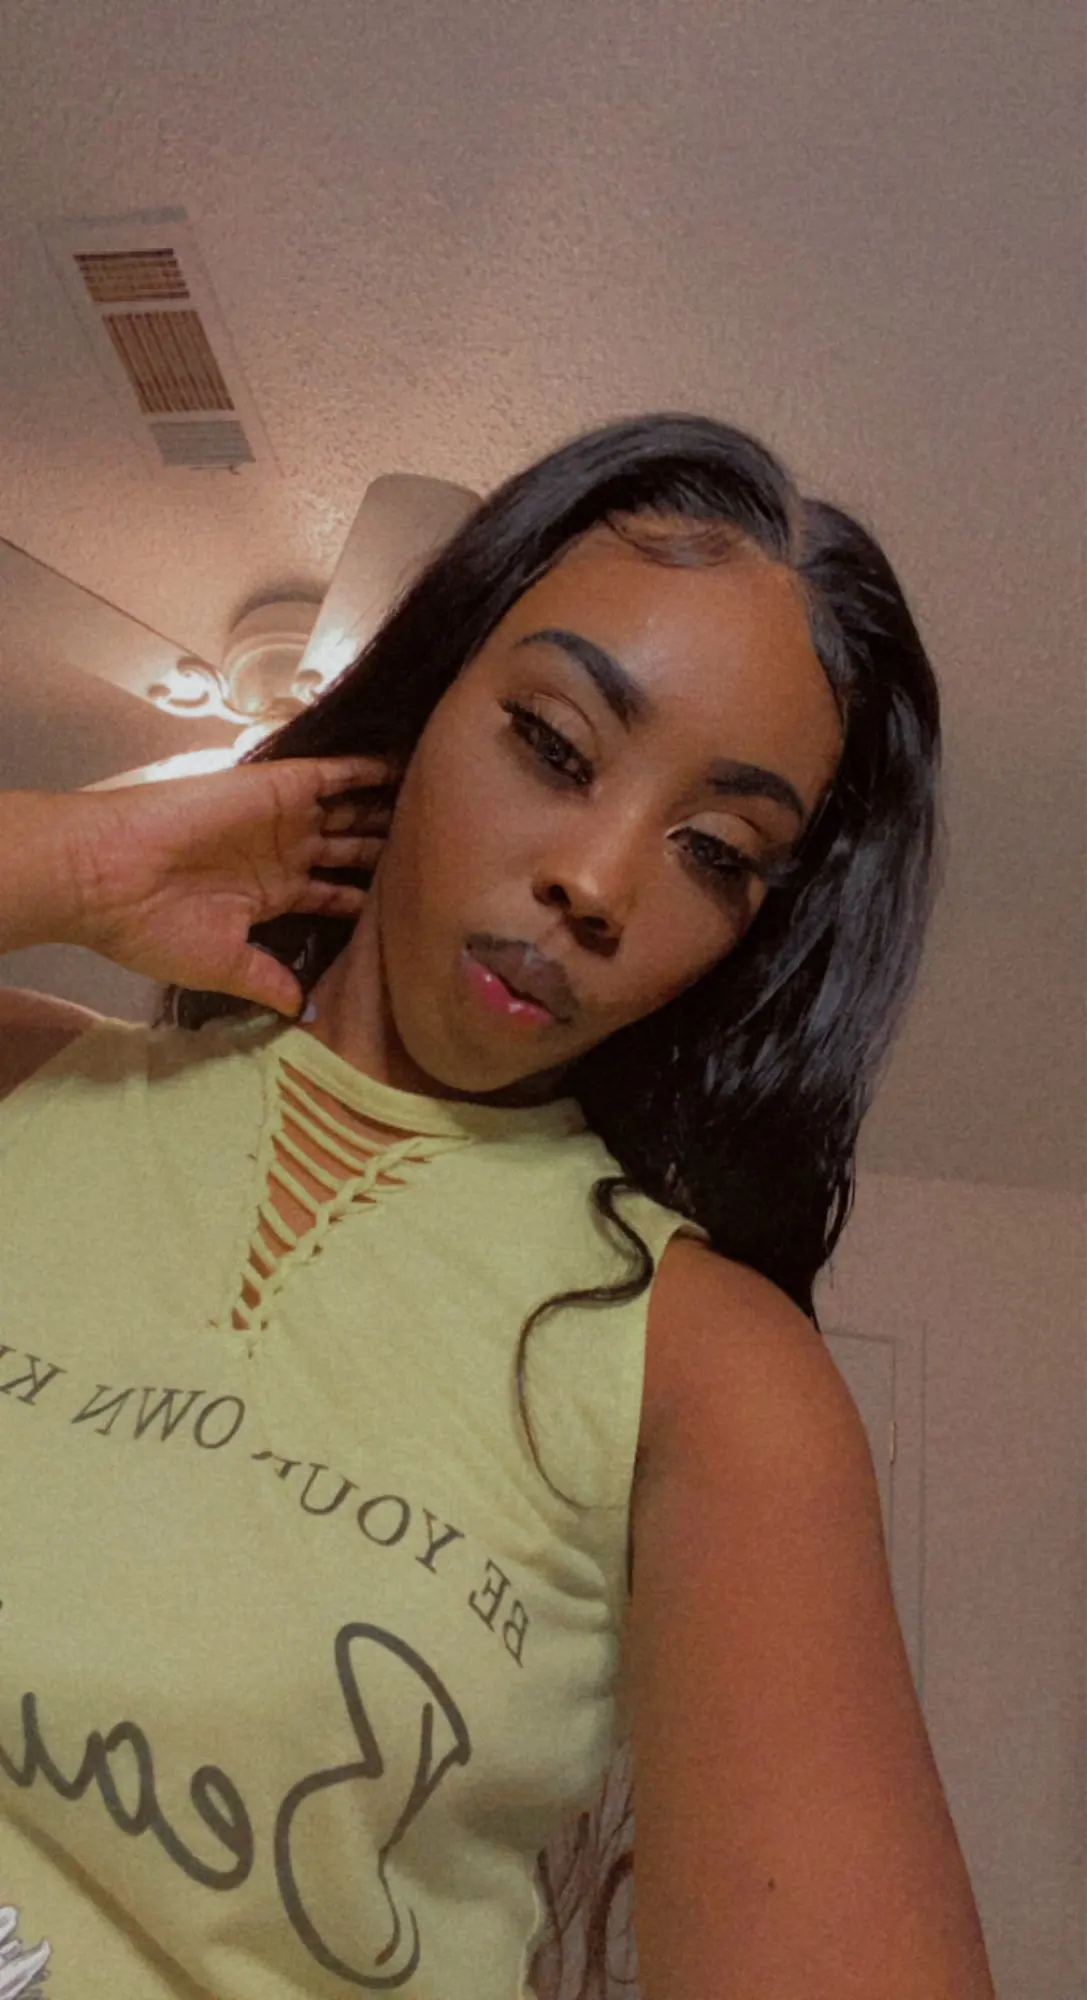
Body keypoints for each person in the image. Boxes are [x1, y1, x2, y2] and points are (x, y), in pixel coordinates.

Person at [0, 414, 996, 2000]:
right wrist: (69, 859)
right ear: (425, 703)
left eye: (715, 851)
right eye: (552, 744)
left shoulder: (707, 1372)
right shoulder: (33, 1090)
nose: (598, 881)